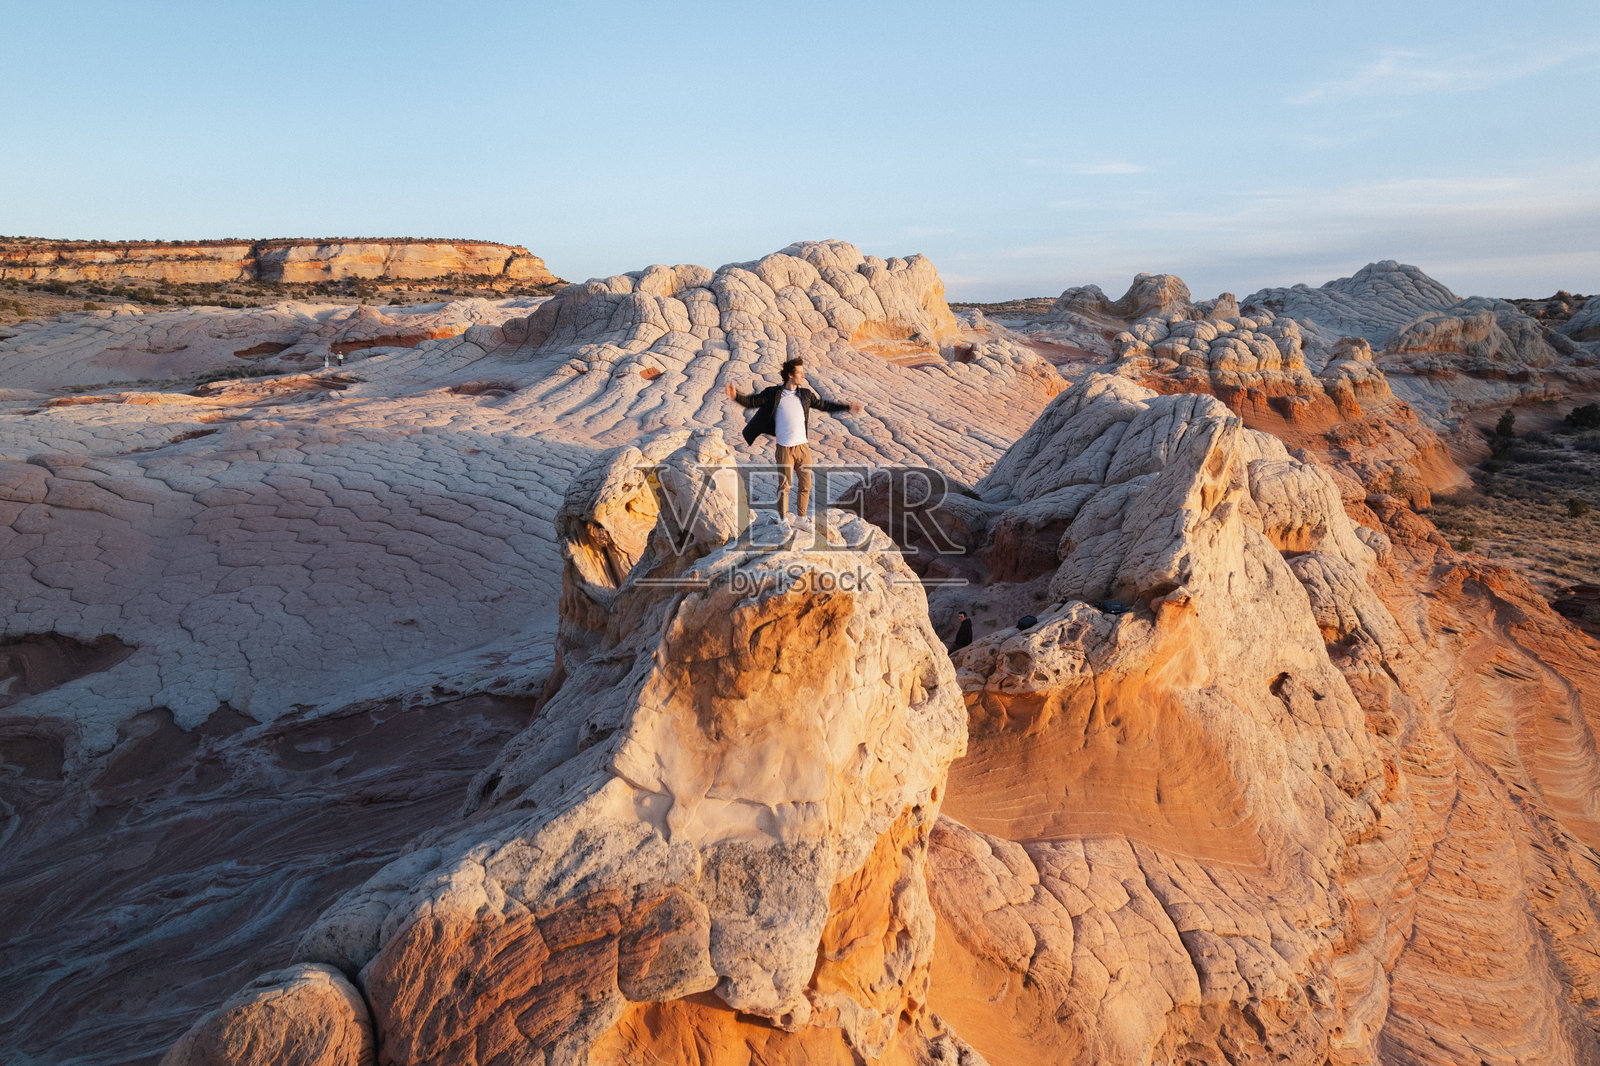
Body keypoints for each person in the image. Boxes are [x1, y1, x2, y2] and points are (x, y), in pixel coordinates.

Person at [726, 357, 860, 524]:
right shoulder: (773, 393)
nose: (803, 376)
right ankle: (783, 521)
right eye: (800, 373)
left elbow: (824, 405)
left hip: (803, 448)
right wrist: (735, 396)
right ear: (790, 375)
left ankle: (801, 518)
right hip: (784, 449)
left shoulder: (805, 395)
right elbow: (752, 401)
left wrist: (846, 407)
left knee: (806, 486)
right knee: (784, 487)